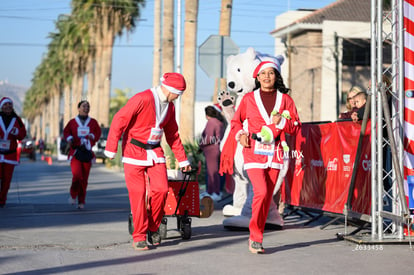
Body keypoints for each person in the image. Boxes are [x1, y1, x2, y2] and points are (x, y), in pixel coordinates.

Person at [104, 72, 192, 251]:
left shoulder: (170, 107)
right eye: (179, 93)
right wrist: (111, 148)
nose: (179, 97)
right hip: (133, 151)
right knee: (138, 194)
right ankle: (139, 236)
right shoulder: (142, 98)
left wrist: (182, 160)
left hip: (154, 151)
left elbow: (173, 135)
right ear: (171, 90)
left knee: (161, 189)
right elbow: (119, 120)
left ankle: (153, 227)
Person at [228, 61, 301, 254]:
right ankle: (255, 237)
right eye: (263, 74)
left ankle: (257, 232)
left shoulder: (285, 100)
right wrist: (240, 135)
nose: (267, 77)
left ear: (276, 77)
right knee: (260, 191)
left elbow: (295, 127)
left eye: (271, 73)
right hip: (253, 150)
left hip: (275, 153)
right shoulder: (248, 99)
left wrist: (283, 121)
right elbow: (236, 122)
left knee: (266, 197)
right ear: (257, 77)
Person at [63, 100, 101, 210]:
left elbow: (97, 133)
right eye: (84, 106)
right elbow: (66, 132)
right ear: (78, 108)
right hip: (75, 152)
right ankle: (73, 194)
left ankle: (81, 200)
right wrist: (69, 139)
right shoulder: (72, 122)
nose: (86, 108)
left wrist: (92, 136)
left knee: (84, 179)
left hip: (87, 153)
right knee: (77, 176)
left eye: (88, 106)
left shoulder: (93, 122)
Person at [0, 97, 27, 207]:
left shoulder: (17, 119)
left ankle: (2, 200)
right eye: (5, 105)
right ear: (1, 107)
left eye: (9, 105)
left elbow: (22, 134)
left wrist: (16, 132)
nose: (7, 107)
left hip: (10, 154)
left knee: (7, 179)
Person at [199, 105, 225, 201]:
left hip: (210, 150)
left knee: (211, 172)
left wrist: (201, 145)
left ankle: (214, 192)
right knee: (215, 171)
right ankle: (213, 191)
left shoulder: (211, 122)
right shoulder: (219, 122)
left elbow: (208, 138)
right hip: (217, 148)